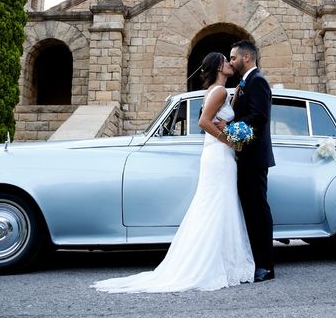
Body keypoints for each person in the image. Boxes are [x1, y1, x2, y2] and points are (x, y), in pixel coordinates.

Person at [92, 52, 254, 293]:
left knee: (220, 205)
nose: (230, 63)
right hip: (219, 155)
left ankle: (223, 260)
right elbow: (203, 122)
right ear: (218, 66)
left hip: (219, 155)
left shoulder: (219, 90)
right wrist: (229, 140)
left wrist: (233, 113)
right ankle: (217, 263)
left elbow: (219, 118)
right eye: (226, 60)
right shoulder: (218, 91)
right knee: (217, 205)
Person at [227, 40, 276, 282]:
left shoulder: (257, 81)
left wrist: (228, 129)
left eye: (233, 57)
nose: (231, 61)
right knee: (250, 210)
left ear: (246, 57)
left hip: (254, 157)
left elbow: (260, 117)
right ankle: (255, 261)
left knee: (258, 211)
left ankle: (266, 266)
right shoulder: (246, 82)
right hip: (245, 157)